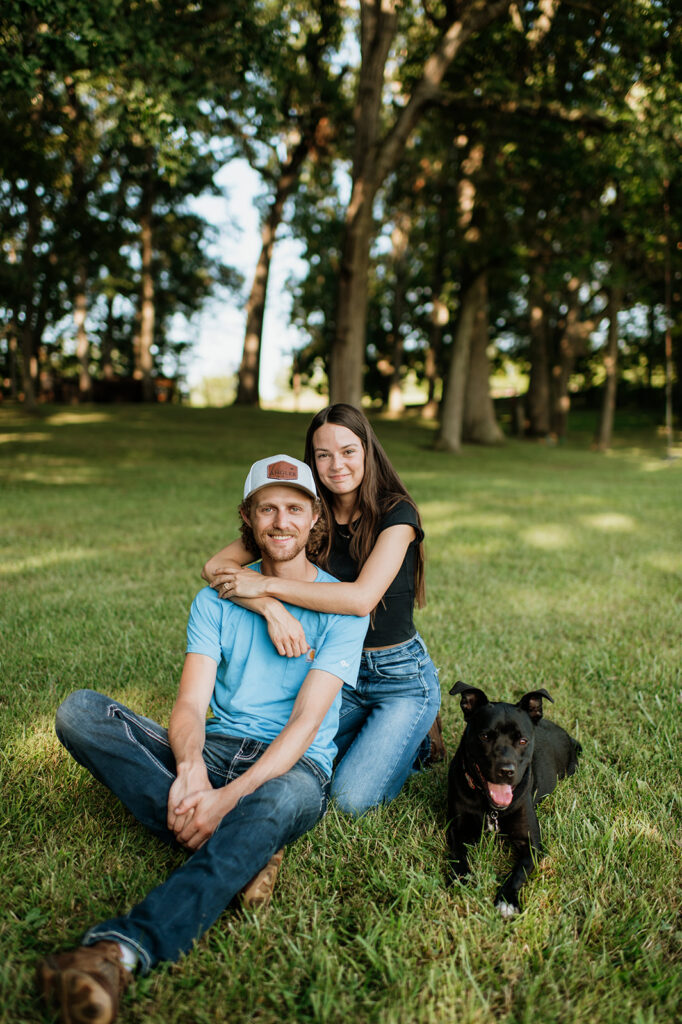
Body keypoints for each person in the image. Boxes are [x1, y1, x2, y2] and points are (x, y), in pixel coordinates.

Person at [37, 454, 368, 1024]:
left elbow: (304, 727)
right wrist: (192, 768)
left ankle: (119, 952)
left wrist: (227, 797)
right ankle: (251, 849)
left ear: (315, 519)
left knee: (279, 800)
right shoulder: (214, 600)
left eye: (295, 508)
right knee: (79, 712)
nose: (281, 521)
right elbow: (190, 703)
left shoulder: (342, 608)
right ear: (249, 517)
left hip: (293, 766)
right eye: (268, 508)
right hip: (217, 745)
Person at [203, 404, 443, 818]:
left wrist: (266, 584)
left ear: (368, 450)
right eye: (323, 455)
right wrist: (269, 609)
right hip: (333, 672)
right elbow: (215, 569)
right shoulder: (308, 513)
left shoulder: (397, 514)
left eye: (348, 451)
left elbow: (360, 600)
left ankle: (419, 733)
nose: (337, 465)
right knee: (282, 752)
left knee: (348, 799)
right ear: (311, 460)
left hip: (397, 678)